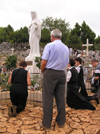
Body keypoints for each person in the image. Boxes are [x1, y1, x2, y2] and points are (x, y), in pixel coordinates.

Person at [40, 29, 69, 129]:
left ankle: (46, 123)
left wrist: (43, 71)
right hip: (62, 73)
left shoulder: (49, 46)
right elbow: (66, 62)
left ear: (52, 36)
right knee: (60, 99)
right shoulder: (66, 48)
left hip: (51, 72)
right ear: (60, 37)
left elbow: (44, 62)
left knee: (47, 98)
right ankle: (61, 122)